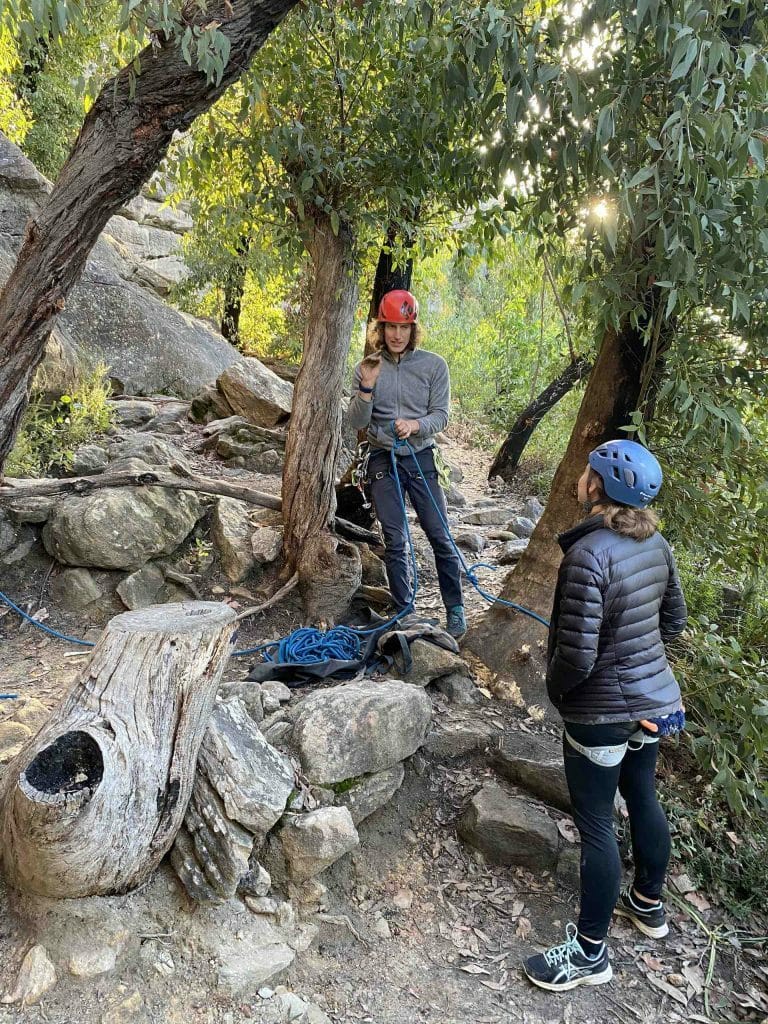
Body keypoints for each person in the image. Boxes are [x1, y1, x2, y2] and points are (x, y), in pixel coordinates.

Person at [522, 439, 688, 992]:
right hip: (653, 704)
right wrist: (639, 676)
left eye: (588, 469)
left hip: (602, 713)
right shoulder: (655, 542)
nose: (581, 475)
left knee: (596, 823)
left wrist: (559, 697)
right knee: (642, 795)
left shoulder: (588, 554)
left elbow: (576, 656)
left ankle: (590, 955)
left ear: (598, 486)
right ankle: (650, 905)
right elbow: (673, 624)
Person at [345, 288, 466, 639]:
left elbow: (441, 415)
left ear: (414, 330)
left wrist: (416, 425)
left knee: (440, 534)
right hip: (382, 456)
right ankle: (404, 612)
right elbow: (356, 422)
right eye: (390, 327)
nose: (397, 335)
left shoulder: (433, 366)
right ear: (379, 329)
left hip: (421, 455)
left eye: (404, 327)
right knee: (395, 538)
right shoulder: (367, 367)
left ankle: (455, 609)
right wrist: (367, 388)